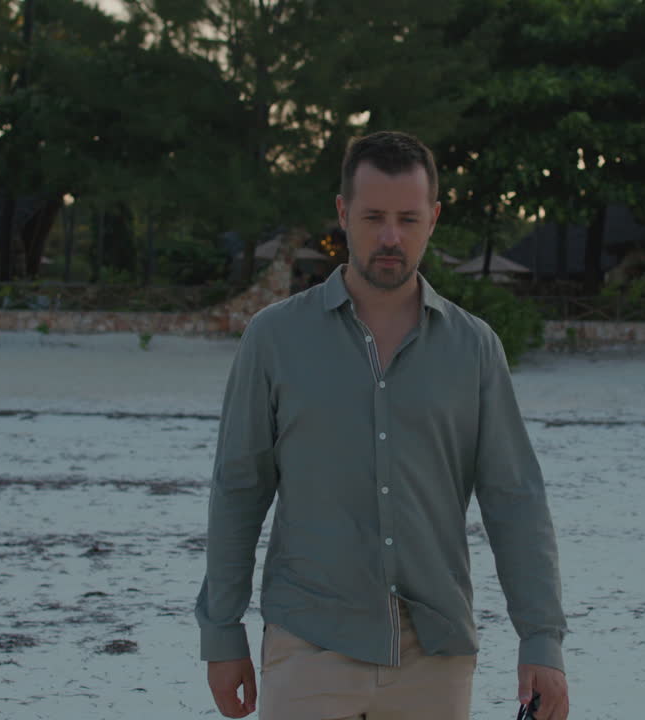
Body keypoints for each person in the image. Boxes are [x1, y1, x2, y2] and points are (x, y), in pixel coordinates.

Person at [195, 131, 569, 720]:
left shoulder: (474, 349)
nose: (390, 237)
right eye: (373, 216)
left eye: (407, 218)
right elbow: (239, 489)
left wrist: (541, 638)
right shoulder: (274, 339)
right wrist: (221, 633)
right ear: (343, 213)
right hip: (307, 644)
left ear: (434, 218)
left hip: (436, 655)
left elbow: (514, 498)